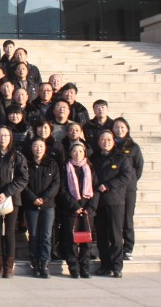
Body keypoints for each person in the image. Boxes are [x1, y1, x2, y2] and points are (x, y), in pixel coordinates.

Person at [0, 126, 29, 278]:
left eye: (6, 135)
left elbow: (23, 178)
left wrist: (6, 193)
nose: (2, 138)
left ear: (11, 137)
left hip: (12, 198)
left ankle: (9, 266)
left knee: (10, 232)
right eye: (0, 135)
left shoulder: (17, 156)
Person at [92, 130, 133, 278]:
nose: (106, 142)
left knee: (115, 235)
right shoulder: (93, 157)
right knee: (102, 236)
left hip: (115, 201)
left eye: (109, 139)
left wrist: (109, 185)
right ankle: (105, 265)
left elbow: (126, 176)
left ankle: (117, 266)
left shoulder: (121, 158)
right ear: (98, 142)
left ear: (113, 141)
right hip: (98, 201)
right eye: (103, 139)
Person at [59, 140, 98, 279]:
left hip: (87, 210)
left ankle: (85, 268)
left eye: (80, 151)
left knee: (86, 240)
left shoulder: (90, 168)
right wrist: (75, 206)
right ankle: (74, 268)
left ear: (84, 153)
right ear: (70, 153)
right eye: (75, 151)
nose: (78, 154)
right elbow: (62, 189)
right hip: (71, 210)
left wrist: (90, 207)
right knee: (71, 240)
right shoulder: (65, 168)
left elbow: (96, 189)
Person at [22, 137, 60, 278]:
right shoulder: (26, 163)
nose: (38, 149)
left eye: (41, 146)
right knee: (33, 235)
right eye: (35, 146)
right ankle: (35, 264)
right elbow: (23, 183)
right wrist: (33, 198)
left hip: (48, 205)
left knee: (46, 235)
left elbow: (55, 184)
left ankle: (44, 264)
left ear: (45, 148)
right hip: (31, 205)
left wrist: (44, 198)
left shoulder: (51, 163)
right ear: (31, 147)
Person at [111, 117, 144, 261]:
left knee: (127, 218)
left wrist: (131, 180)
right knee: (115, 219)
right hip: (114, 187)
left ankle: (128, 247)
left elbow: (139, 166)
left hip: (128, 187)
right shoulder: (109, 144)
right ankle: (116, 246)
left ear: (127, 129)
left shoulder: (133, 147)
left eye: (122, 127)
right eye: (116, 127)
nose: (119, 130)